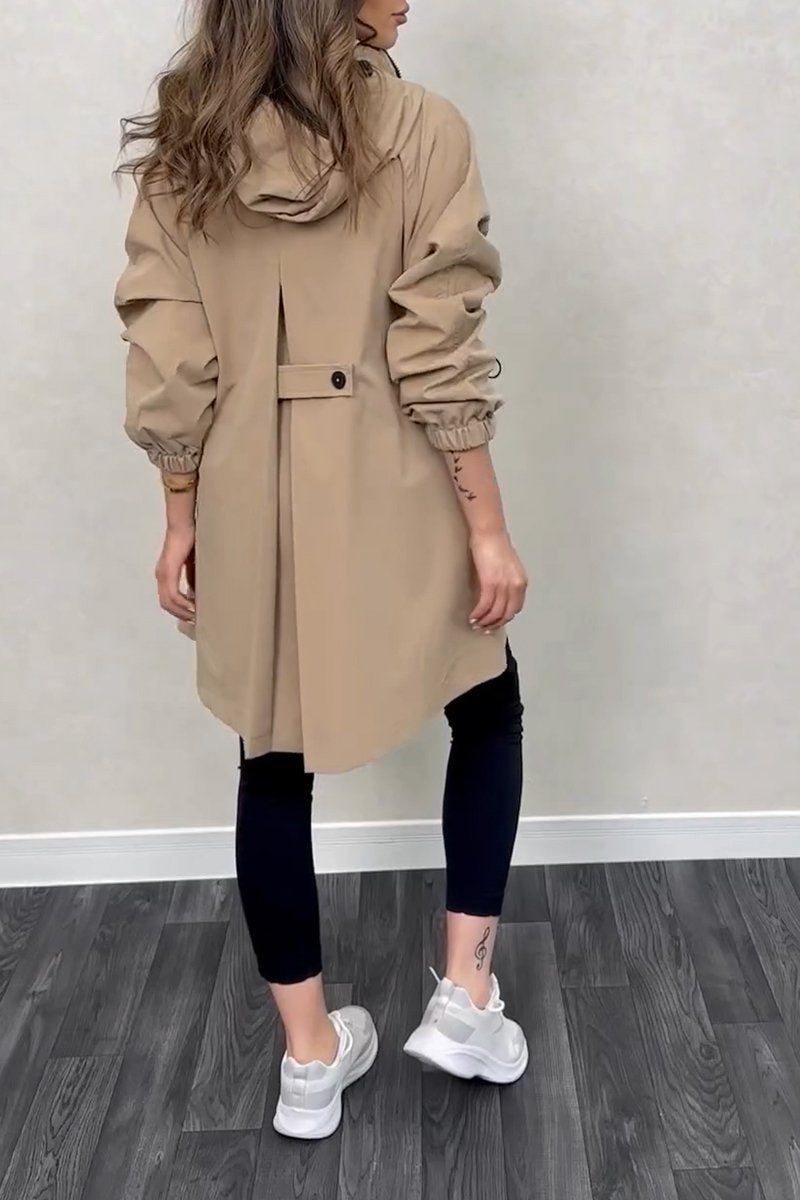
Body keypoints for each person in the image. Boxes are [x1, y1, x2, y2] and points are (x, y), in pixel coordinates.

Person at [113, 0, 529, 1140]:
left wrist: (180, 510)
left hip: (251, 491)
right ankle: (466, 993)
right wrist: (486, 527)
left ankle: (308, 1060)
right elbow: (437, 342)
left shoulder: (188, 140)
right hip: (396, 473)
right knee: (485, 701)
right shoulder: (423, 127)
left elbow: (168, 351)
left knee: (270, 753)